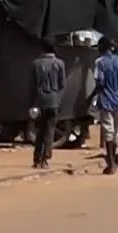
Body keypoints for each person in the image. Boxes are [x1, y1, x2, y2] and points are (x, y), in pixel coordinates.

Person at [90, 37, 118, 174]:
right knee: (116, 133)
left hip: (105, 100)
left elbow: (99, 83)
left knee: (108, 132)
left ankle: (111, 162)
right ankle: (113, 162)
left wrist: (90, 97)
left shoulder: (99, 63)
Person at [30, 37, 67, 168]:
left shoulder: (36, 64)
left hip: (40, 100)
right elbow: (63, 85)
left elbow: (32, 86)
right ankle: (45, 157)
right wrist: (58, 99)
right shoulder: (60, 63)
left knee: (40, 130)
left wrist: (32, 103)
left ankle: (37, 158)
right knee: (50, 130)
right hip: (54, 100)